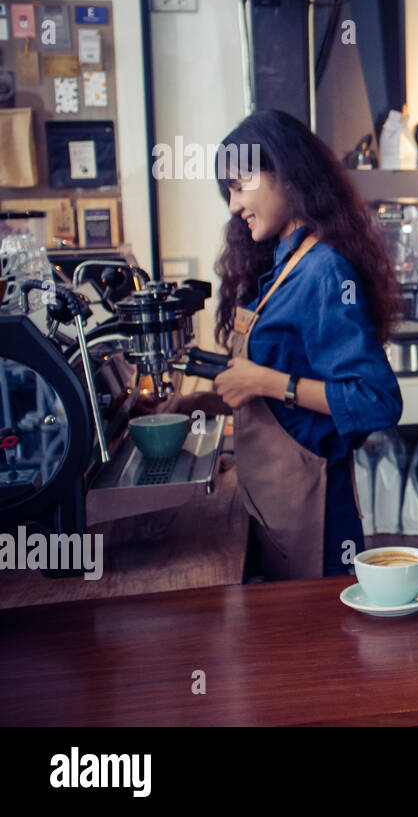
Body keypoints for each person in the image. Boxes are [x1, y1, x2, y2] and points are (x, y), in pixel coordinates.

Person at [157, 110, 403, 579]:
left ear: (287, 175)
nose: (232, 205)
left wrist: (269, 382)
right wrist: (200, 401)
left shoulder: (323, 272)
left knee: (322, 650)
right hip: (275, 512)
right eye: (227, 191)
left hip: (316, 520)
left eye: (239, 185)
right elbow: (277, 398)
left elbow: (378, 402)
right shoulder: (281, 271)